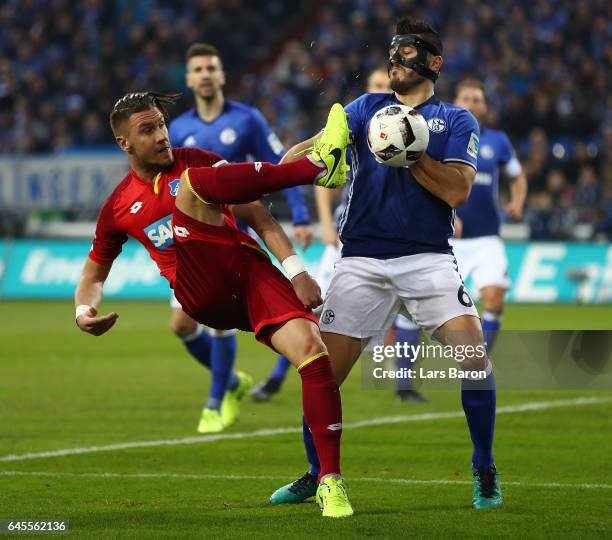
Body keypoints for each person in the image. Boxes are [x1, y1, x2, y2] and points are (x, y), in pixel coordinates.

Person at [74, 92, 353, 518]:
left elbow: (257, 215)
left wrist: (297, 271)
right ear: (124, 143)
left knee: (313, 352)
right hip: (200, 290)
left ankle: (328, 480)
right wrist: (83, 311)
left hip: (248, 271)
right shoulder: (118, 206)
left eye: (162, 125)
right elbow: (93, 274)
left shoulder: (197, 158)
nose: (162, 135)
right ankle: (316, 166)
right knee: (191, 187)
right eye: (147, 130)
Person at [269, 17, 502, 510]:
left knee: (475, 363)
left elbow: (458, 190)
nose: (395, 60)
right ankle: (317, 474)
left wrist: (410, 152)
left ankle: (484, 468)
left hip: (428, 258)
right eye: (392, 53)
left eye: (408, 53)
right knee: (320, 375)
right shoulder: (365, 107)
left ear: (433, 63)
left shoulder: (457, 121)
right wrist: (303, 161)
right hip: (361, 261)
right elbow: (302, 154)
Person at [250, 66, 426, 403]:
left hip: (399, 242)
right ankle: (275, 379)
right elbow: (322, 166)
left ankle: (404, 384)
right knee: (311, 309)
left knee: (410, 308)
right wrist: (327, 225)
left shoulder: (408, 133)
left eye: (382, 88)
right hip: (350, 240)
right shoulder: (356, 125)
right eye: (372, 87)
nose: (378, 95)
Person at [166, 43, 314, 433]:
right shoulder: (178, 129)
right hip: (190, 238)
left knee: (220, 324)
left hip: (234, 233)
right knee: (181, 325)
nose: (204, 75)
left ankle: (216, 400)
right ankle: (232, 381)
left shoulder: (248, 120)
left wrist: (299, 215)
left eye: (211, 68)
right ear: (189, 79)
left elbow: (280, 167)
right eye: (197, 69)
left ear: (221, 76)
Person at [452, 79, 527, 350]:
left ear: (485, 107)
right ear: (455, 103)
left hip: (487, 238)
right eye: (466, 98)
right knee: (423, 310)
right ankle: (404, 376)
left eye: (477, 99)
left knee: (494, 300)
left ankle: (479, 363)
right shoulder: (441, 137)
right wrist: (448, 214)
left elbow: (517, 177)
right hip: (449, 240)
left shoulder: (498, 141)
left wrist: (517, 201)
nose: (471, 104)